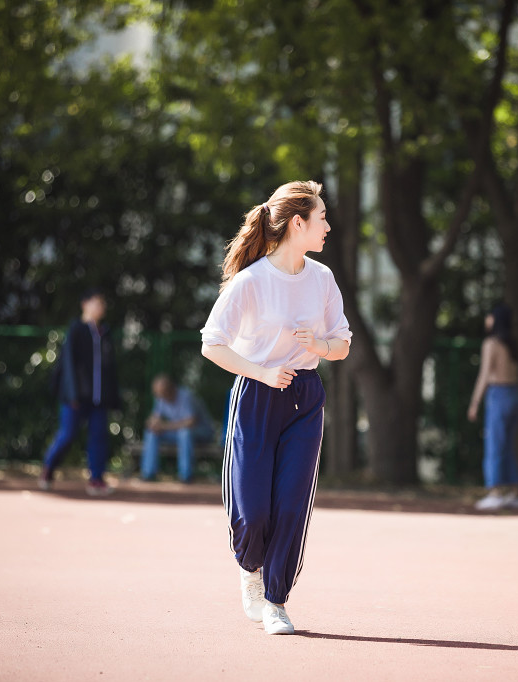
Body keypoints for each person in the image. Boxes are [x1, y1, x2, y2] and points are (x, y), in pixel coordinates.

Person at [200, 180, 351, 635]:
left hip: (304, 399)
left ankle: (276, 602)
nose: (328, 225)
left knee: (291, 505)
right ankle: (250, 571)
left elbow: (342, 343)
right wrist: (261, 372)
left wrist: (320, 345)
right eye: (321, 217)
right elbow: (212, 345)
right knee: (253, 511)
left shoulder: (322, 278)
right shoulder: (250, 282)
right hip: (256, 395)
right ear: (298, 223)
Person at [39, 288, 120, 497]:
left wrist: (113, 396)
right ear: (85, 304)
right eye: (96, 302)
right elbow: (68, 364)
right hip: (75, 397)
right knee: (67, 435)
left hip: (99, 399)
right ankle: (48, 468)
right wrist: (72, 394)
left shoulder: (106, 333)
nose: (101, 307)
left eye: (103, 303)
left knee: (98, 437)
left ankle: (96, 479)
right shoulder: (76, 329)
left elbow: (110, 368)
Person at [467, 302, 518, 510]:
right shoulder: (512, 344)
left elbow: (484, 375)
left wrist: (474, 403)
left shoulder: (491, 344)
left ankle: (495, 491)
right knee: (508, 445)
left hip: (498, 394)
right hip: (515, 394)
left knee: (494, 445)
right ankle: (514, 492)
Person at [139, 374, 214, 482]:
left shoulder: (186, 396)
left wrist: (164, 426)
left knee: (184, 433)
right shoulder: (160, 398)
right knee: (151, 433)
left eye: (163, 394)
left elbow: (191, 422)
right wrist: (152, 424)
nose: (160, 397)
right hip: (178, 433)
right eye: (158, 394)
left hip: (202, 432)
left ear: (171, 389)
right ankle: (148, 473)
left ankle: (185, 475)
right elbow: (155, 417)